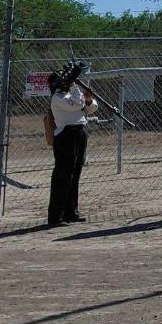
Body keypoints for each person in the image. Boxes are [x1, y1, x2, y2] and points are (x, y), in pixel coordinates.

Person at [47, 70, 97, 227]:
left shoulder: (72, 96)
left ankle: (71, 212)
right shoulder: (57, 98)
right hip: (65, 136)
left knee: (75, 175)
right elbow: (77, 104)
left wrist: (88, 99)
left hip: (79, 133)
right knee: (63, 176)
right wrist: (74, 86)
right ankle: (56, 216)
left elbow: (91, 107)